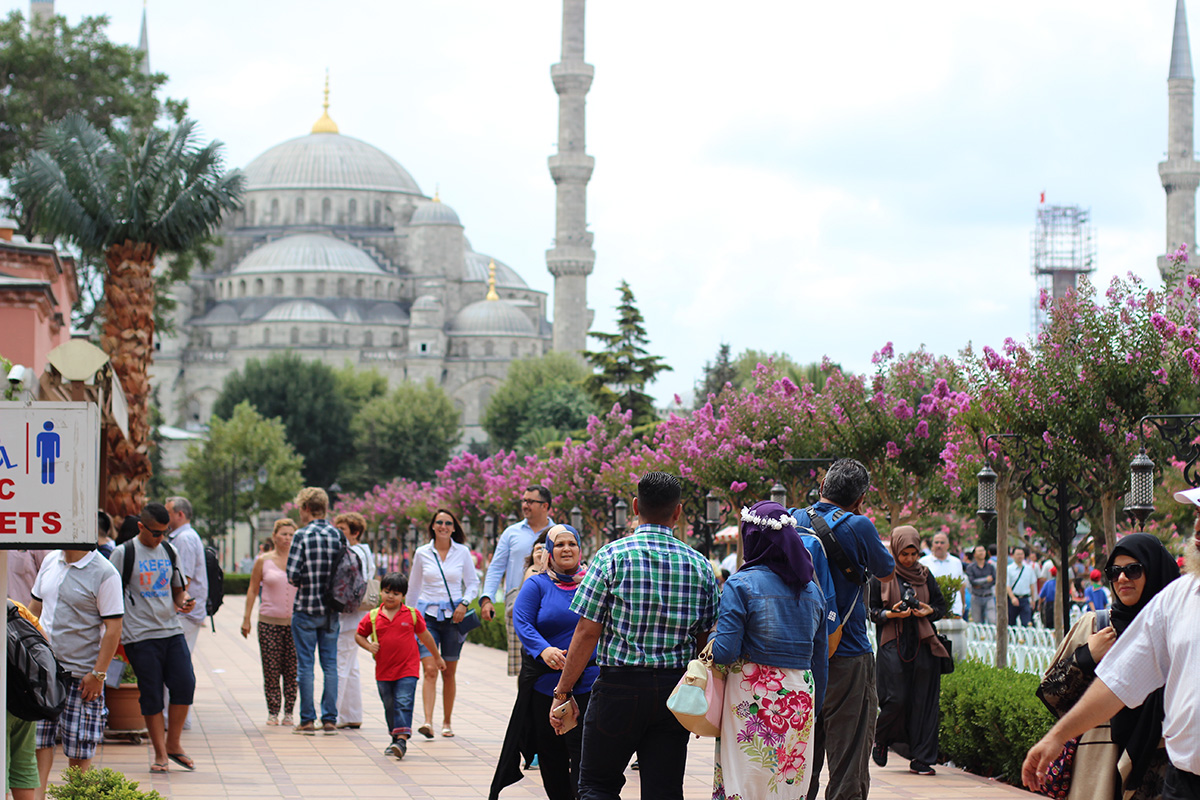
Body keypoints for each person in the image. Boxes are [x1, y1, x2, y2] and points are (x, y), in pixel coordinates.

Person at [552, 472, 719, 800]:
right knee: (664, 790)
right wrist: (701, 699)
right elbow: (705, 642)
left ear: (634, 506)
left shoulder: (610, 556)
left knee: (598, 787)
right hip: (673, 693)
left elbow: (587, 633)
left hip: (618, 689)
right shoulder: (700, 565)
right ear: (677, 512)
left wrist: (563, 692)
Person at [1023, 529, 1196, 798]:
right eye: (1114, 572)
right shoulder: (1095, 624)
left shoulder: (1177, 616)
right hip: (1101, 759)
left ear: (1154, 570)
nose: (1122, 578)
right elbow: (1052, 693)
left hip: (1162, 759)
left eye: (1134, 570)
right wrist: (1086, 657)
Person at [711, 501, 828, 799]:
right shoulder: (813, 591)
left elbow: (724, 652)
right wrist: (814, 708)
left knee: (746, 780)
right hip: (801, 697)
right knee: (787, 784)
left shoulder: (740, 584)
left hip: (752, 696)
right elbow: (821, 662)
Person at [795, 459, 895, 800]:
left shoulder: (792, 519)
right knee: (849, 754)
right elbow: (886, 571)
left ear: (822, 487)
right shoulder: (859, 525)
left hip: (799, 654)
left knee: (801, 752)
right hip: (847, 652)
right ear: (861, 499)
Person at [494, 524, 598, 800]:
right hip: (546, 685)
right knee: (552, 755)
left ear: (579, 549)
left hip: (588, 683)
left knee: (585, 753)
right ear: (549, 552)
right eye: (559, 544)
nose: (566, 549)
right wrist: (543, 649)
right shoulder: (537, 584)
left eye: (571, 544)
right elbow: (523, 621)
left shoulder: (592, 583)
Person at [29, 543, 123, 798]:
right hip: (44, 674)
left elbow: (114, 628)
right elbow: (34, 610)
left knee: (79, 750)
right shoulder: (50, 560)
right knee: (38, 743)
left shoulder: (105, 572)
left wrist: (99, 674)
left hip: (82, 677)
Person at [109, 503, 198, 773]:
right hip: (139, 635)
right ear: (140, 527)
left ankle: (174, 744)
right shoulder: (123, 553)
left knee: (185, 683)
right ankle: (160, 754)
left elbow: (178, 591)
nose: (160, 537)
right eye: (156, 532)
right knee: (151, 694)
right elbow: (111, 595)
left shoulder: (170, 550)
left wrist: (185, 601)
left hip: (171, 630)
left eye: (165, 532)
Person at [868, 526, 948, 776]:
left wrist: (928, 610)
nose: (910, 559)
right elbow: (869, 612)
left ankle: (921, 758)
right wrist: (891, 613)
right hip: (893, 642)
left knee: (924, 701)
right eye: (904, 554)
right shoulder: (881, 576)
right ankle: (881, 738)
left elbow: (939, 606)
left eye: (914, 554)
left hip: (924, 643)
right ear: (895, 549)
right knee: (897, 699)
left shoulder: (925, 574)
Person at [355, 572, 445, 760]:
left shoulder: (411, 615)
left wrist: (437, 657)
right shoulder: (373, 616)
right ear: (380, 592)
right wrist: (369, 646)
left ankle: (402, 740)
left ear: (403, 596)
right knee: (389, 705)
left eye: (396, 593)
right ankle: (395, 737)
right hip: (383, 671)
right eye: (387, 591)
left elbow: (425, 636)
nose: (390, 596)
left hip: (407, 669)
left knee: (403, 702)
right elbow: (359, 635)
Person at [407, 508, 479, 739]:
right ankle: (427, 721)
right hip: (427, 617)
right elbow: (413, 588)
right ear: (433, 526)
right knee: (429, 670)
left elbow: (473, 583)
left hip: (454, 619)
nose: (443, 526)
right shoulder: (422, 553)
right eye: (439, 522)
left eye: (448, 523)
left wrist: (464, 603)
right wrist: (408, 617)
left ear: (454, 527)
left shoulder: (463, 552)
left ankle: (446, 721)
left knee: (448, 672)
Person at [285, 486, 346, 736]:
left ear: (307, 508)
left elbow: (292, 575)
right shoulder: (338, 535)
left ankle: (307, 720)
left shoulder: (301, 535)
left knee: (305, 666)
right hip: (332, 611)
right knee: (330, 665)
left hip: (306, 609)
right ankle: (330, 719)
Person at [480, 485, 554, 676]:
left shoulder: (557, 533)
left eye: (530, 501)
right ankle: (525, 705)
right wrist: (487, 598)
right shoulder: (511, 533)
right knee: (522, 667)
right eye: (524, 501)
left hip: (551, 604)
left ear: (545, 505)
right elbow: (496, 567)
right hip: (517, 606)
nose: (525, 505)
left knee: (551, 660)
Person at [241, 518, 299, 726]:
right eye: (283, 534)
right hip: (268, 622)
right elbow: (252, 589)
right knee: (272, 668)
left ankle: (290, 711)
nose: (287, 538)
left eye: (292, 534)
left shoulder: (299, 560)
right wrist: (246, 618)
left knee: (292, 670)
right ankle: (273, 711)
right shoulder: (263, 560)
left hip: (295, 624)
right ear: (274, 536)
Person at [164, 496, 206, 730]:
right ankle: (177, 719)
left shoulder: (185, 539)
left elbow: (184, 580)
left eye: (168, 512)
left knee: (177, 666)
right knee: (178, 665)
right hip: (185, 613)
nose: (165, 516)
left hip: (185, 614)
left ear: (180, 514)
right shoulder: (183, 538)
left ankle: (177, 720)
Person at [333, 511, 375, 729]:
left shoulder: (350, 553)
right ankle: (352, 713)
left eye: (342, 529)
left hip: (348, 616)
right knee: (351, 666)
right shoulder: (366, 552)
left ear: (355, 532)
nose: (338, 533)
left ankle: (334, 714)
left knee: (340, 664)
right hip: (360, 614)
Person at [8, 601, 48, 800]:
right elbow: (45, 648)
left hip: (3, 704)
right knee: (23, 764)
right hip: (24, 700)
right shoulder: (16, 607)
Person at [919, 532, 964, 617]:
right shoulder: (923, 562)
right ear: (932, 544)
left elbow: (961, 586)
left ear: (948, 545)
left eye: (942, 543)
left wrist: (962, 605)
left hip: (955, 609)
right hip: (932, 609)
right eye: (936, 542)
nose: (939, 545)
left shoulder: (956, 562)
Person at [964, 545, 996, 624]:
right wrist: (986, 580)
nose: (981, 553)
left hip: (988, 596)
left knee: (992, 620)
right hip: (976, 597)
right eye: (979, 551)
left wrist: (979, 583)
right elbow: (973, 582)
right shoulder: (970, 567)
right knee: (977, 622)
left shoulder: (990, 567)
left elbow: (993, 580)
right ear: (974, 554)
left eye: (983, 550)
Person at [1006, 546, 1037, 627]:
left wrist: (1033, 599)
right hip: (1013, 599)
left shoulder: (1029, 569)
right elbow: (1007, 585)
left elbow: (1032, 584)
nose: (1020, 556)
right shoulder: (1009, 569)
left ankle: (1026, 639)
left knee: (1027, 622)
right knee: (1011, 623)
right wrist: (1012, 597)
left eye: (1021, 554)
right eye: (1017, 554)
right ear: (1013, 555)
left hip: (1025, 599)